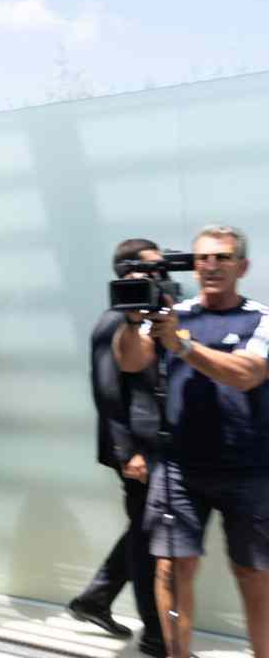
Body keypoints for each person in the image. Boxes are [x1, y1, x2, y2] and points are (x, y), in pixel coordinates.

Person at [115, 224, 269, 658]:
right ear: (194, 265)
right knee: (172, 569)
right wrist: (133, 322)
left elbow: (247, 374)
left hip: (249, 468)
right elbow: (130, 362)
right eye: (203, 258)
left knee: (253, 573)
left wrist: (183, 347)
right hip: (180, 468)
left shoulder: (260, 317)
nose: (211, 266)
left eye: (223, 258)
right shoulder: (173, 314)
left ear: (243, 266)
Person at [66, 239, 166, 654]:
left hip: (158, 447)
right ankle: (156, 636)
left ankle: (95, 599)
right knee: (148, 540)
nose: (160, 275)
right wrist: (130, 454)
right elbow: (108, 394)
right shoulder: (113, 322)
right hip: (138, 451)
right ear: (129, 272)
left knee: (146, 530)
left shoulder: (153, 318)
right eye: (153, 268)